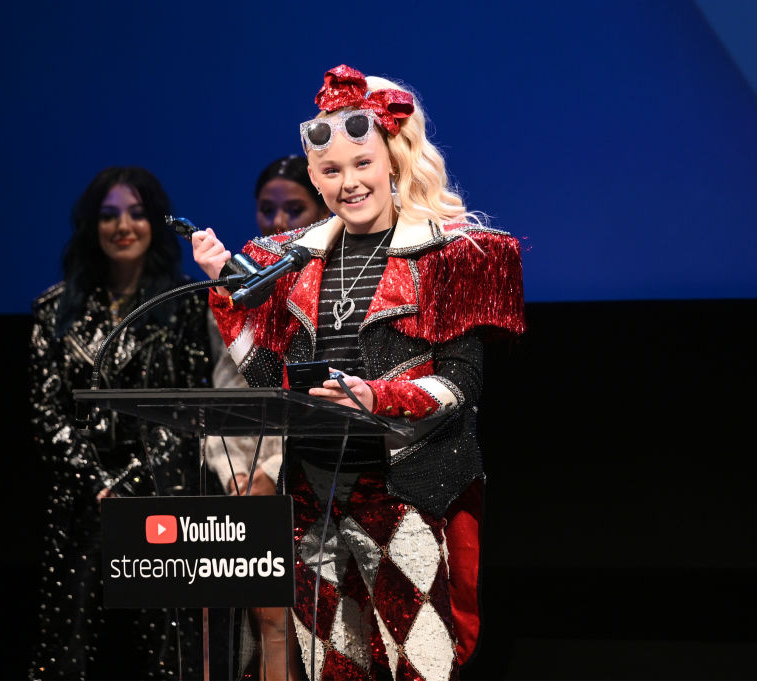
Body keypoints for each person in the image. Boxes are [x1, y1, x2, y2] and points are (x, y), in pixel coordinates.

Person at [191, 65, 525, 681]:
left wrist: (379, 397)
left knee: (421, 664)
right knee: (332, 667)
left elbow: (459, 384)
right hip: (315, 493)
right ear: (315, 177)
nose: (349, 183)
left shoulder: (450, 253)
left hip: (404, 492)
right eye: (331, 171)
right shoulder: (291, 261)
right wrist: (229, 292)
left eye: (362, 164)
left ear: (392, 161)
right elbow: (270, 375)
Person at [27, 166, 224, 680]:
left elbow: (189, 407)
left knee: (173, 651)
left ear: (155, 224)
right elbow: (46, 411)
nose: (123, 226)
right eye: (109, 215)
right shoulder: (53, 309)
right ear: (92, 225)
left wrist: (132, 482)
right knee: (64, 646)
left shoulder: (183, 304)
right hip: (80, 499)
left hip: (163, 496)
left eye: (137, 214)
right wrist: (98, 483)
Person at [202, 155, 331, 680]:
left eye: (293, 208)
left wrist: (272, 472)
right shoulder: (235, 279)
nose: (278, 222)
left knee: (279, 614)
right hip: (232, 454)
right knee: (226, 611)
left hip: (303, 454)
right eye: (267, 209)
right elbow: (224, 385)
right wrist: (234, 470)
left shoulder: (334, 279)